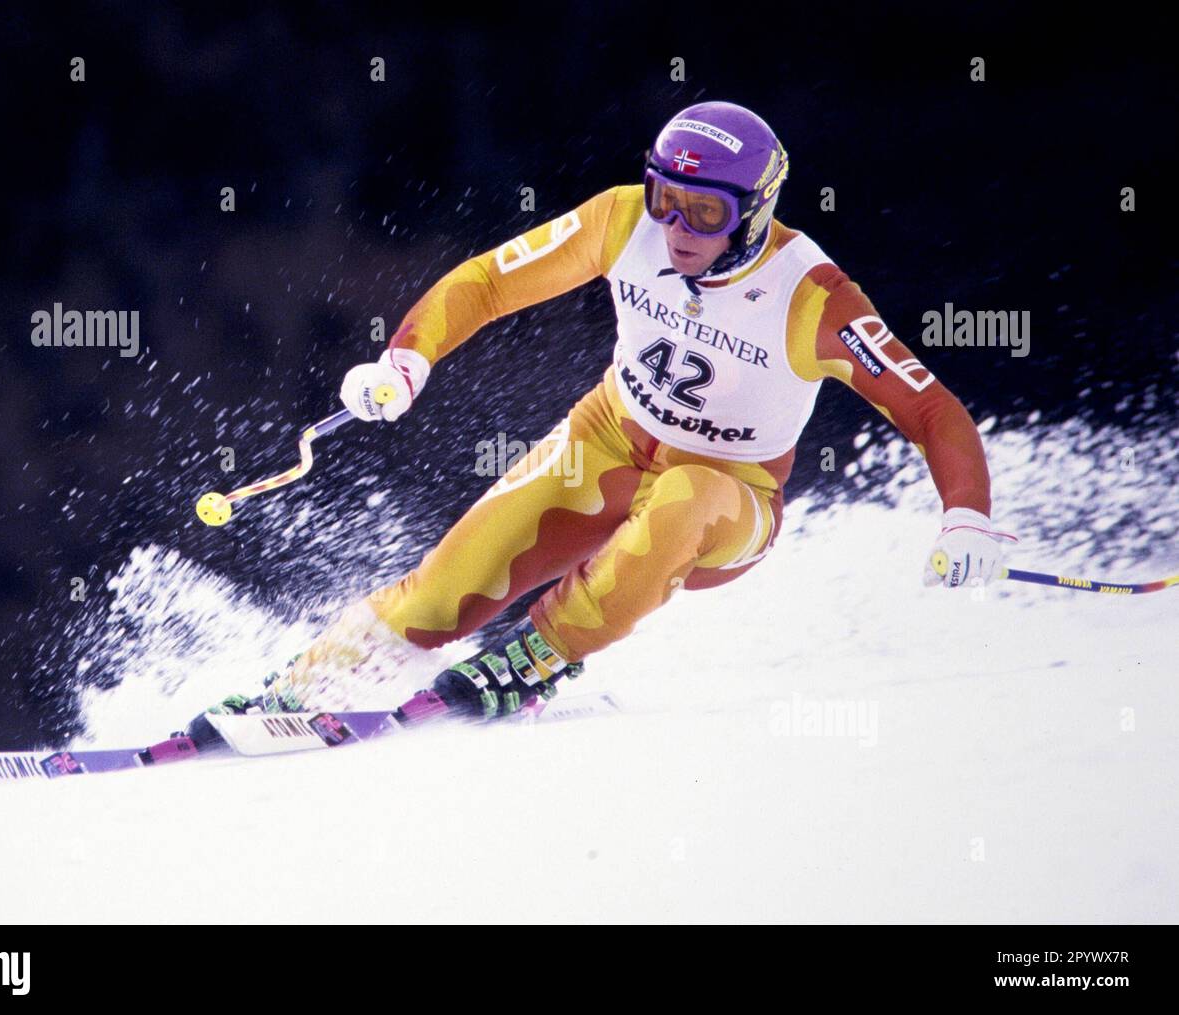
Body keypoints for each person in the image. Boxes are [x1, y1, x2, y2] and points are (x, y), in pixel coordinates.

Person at [197, 100, 1014, 732]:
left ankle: (541, 654)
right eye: (668, 197)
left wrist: (966, 517)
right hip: (609, 439)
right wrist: (406, 358)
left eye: (706, 213)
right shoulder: (625, 221)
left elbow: (932, 411)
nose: (677, 229)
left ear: (757, 212)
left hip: (732, 498)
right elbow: (487, 282)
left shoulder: (812, 298)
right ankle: (303, 686)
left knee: (684, 497)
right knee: (444, 591)